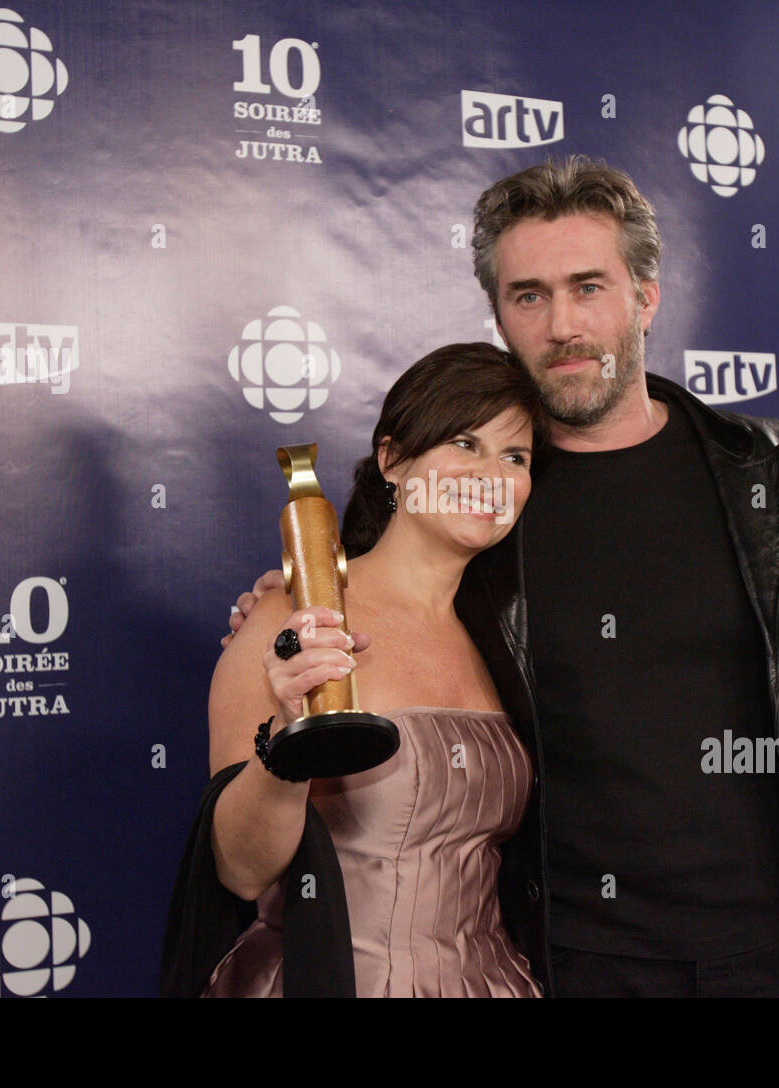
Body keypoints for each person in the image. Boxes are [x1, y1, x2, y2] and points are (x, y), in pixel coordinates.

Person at [222, 157, 779, 997]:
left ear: (646, 295)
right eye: (529, 296)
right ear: (500, 315)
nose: (562, 326)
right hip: (572, 964)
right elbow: (365, 602)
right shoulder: (477, 507)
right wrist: (285, 602)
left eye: (589, 286)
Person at [162, 342, 549, 997]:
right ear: (393, 461)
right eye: (465, 443)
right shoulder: (293, 620)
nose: (493, 474)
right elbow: (239, 870)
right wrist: (288, 742)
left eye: (516, 456)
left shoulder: (507, 635)